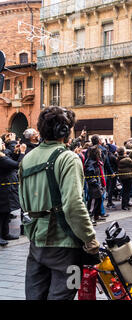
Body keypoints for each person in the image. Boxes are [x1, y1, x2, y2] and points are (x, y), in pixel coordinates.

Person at [19, 106, 99, 300]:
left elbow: (23, 202)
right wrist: (89, 238)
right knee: (63, 295)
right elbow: (73, 205)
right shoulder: (68, 158)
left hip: (36, 242)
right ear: (65, 131)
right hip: (65, 245)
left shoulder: (27, 159)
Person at [0, 138, 26, 246]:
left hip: (5, 188)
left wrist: (15, 153)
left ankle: (5, 233)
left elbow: (11, 162)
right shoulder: (1, 159)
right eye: (1, 143)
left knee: (6, 212)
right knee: (1, 213)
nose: (3, 144)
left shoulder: (3, 156)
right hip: (2, 188)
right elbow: (17, 165)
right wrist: (23, 152)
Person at [84, 145, 106, 225]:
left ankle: (96, 215)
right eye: (99, 152)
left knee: (99, 200)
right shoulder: (90, 163)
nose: (100, 153)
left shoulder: (97, 161)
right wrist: (96, 184)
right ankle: (90, 217)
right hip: (93, 186)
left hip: (98, 184)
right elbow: (89, 176)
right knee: (93, 201)